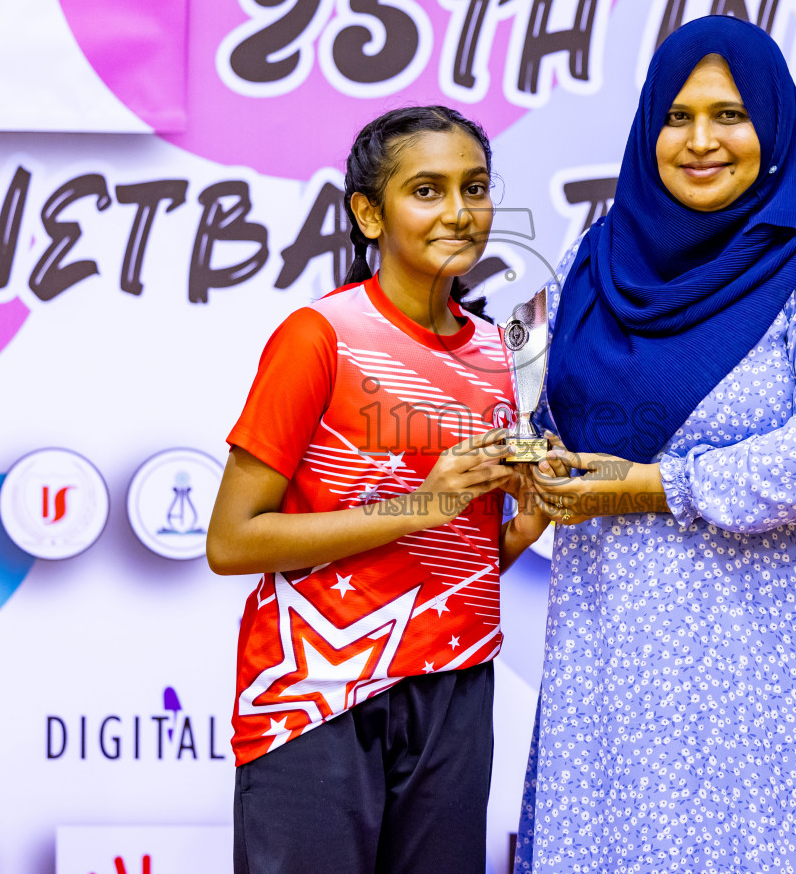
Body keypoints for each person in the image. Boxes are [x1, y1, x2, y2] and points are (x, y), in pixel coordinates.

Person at [517, 15, 796, 872]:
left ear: (773, 127)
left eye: (730, 116)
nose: (701, 141)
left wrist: (658, 485)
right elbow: (558, 413)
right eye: (677, 116)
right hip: (622, 659)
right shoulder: (594, 259)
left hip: (793, 668)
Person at [207, 105, 549, 874]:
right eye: (426, 190)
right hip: (318, 693)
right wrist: (425, 503)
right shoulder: (319, 337)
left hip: (455, 691)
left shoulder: (507, 355)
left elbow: (444, 553)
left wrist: (511, 537)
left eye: (476, 188)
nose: (459, 213)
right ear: (369, 212)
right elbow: (232, 541)